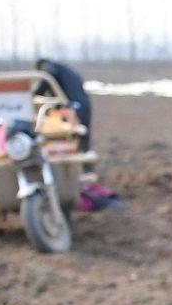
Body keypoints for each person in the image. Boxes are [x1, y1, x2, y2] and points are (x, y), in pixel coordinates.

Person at [33, 55, 122, 210]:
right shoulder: (67, 70)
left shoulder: (50, 67)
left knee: (73, 140)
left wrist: (35, 94)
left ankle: (80, 176)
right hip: (83, 104)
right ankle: (85, 172)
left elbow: (49, 77)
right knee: (82, 139)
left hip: (74, 107)